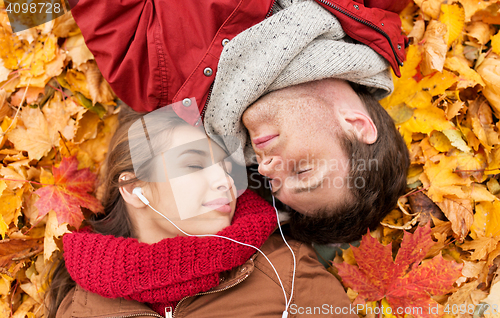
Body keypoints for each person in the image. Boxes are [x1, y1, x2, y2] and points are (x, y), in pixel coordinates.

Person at [67, 0, 410, 244]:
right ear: (357, 125)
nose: (270, 169)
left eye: (274, 184)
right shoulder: (378, 10)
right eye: (303, 171)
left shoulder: (151, 78)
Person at [47, 105, 357, 318]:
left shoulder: (283, 270)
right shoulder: (80, 307)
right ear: (133, 190)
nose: (224, 181)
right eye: (193, 165)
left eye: (227, 168)